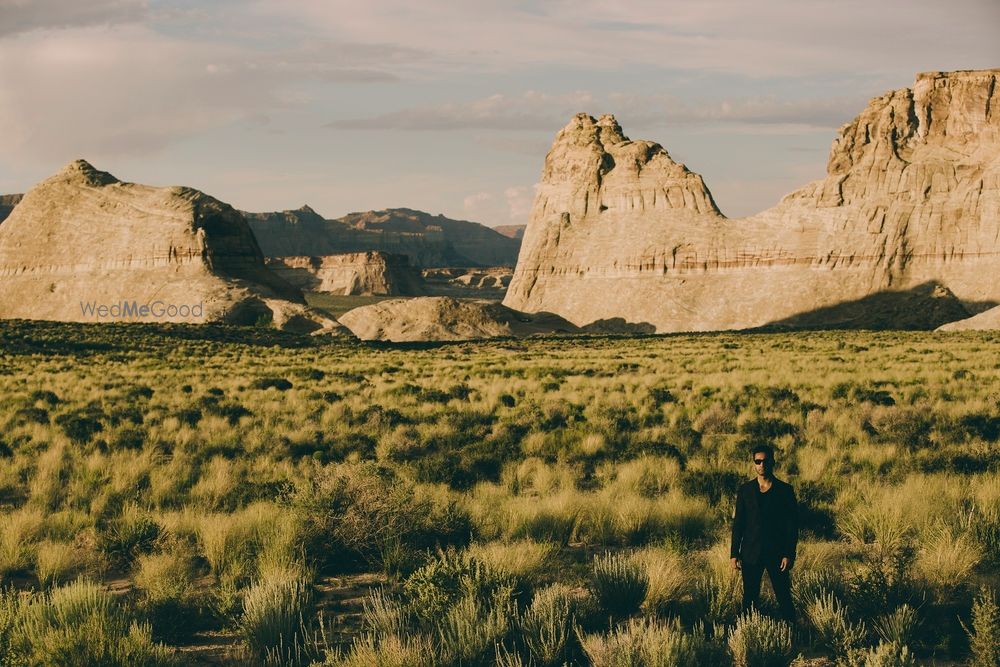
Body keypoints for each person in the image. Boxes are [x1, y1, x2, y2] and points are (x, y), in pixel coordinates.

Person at [730, 443, 798, 625]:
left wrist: (788, 554)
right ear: (753, 463)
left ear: (773, 462)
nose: (761, 465)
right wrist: (734, 554)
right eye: (757, 461)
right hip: (751, 552)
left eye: (765, 461)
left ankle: (793, 630)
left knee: (783, 594)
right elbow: (738, 524)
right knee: (750, 596)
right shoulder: (745, 491)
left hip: (777, 553)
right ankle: (747, 631)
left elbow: (792, 526)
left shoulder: (785, 491)